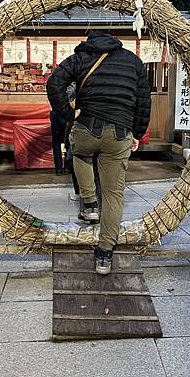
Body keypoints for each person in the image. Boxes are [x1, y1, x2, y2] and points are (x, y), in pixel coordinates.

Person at [46, 30, 151, 274]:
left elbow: (54, 83)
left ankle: (90, 203)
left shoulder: (81, 57)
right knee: (114, 194)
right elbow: (144, 100)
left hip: (86, 128)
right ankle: (104, 254)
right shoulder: (133, 61)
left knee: (79, 155)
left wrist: (69, 114)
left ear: (89, 41)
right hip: (121, 133)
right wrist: (137, 132)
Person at [49, 109, 66, 174]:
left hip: (55, 114)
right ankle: (67, 167)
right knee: (68, 142)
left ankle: (59, 169)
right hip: (66, 114)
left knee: (56, 143)